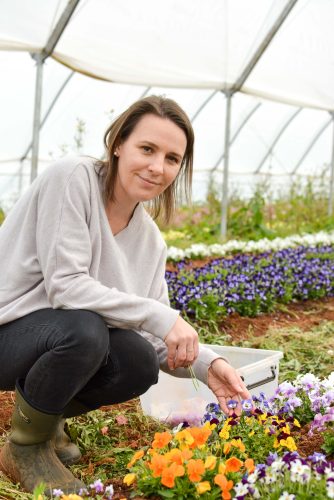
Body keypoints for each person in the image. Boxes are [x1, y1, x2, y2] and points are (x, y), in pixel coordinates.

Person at [0, 95, 250, 495]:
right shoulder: (73, 178)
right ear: (118, 144)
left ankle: (45, 423)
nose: (157, 167)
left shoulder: (150, 242)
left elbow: (153, 340)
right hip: (7, 334)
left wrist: (208, 364)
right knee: (85, 330)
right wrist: (159, 315)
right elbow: (66, 287)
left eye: (172, 158)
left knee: (135, 361)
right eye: (147, 149)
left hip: (54, 342)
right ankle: (25, 449)